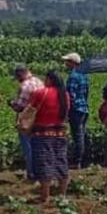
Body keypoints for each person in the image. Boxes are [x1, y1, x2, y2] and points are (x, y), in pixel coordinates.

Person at [28, 71, 71, 204]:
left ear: (50, 80)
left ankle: (45, 196)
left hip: (42, 133)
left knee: (44, 163)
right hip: (60, 132)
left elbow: (30, 109)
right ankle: (62, 194)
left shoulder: (41, 93)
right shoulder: (65, 95)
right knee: (61, 161)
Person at [10, 65, 44, 181]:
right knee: (38, 146)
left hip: (28, 120)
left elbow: (19, 107)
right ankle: (41, 171)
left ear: (21, 74)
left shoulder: (25, 86)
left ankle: (32, 173)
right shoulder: (39, 82)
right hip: (40, 118)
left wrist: (12, 104)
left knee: (28, 147)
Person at [63, 53, 89, 169]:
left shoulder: (73, 76)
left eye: (68, 61)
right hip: (83, 107)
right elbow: (86, 92)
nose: (66, 63)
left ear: (73, 63)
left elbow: (70, 95)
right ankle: (84, 159)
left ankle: (77, 161)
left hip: (76, 109)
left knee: (77, 136)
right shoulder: (84, 75)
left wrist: (67, 110)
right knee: (82, 134)